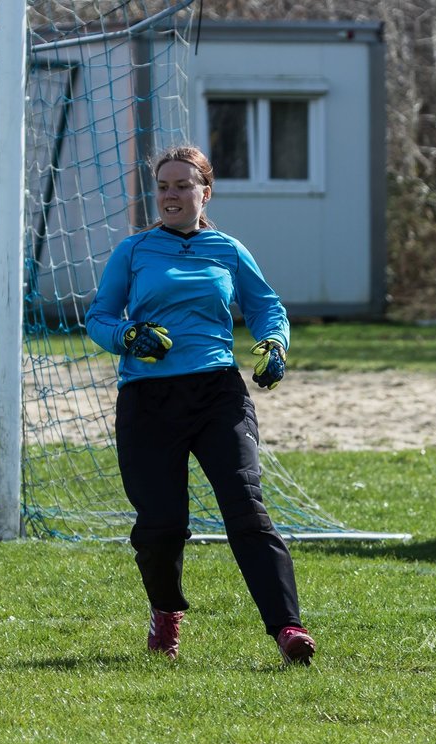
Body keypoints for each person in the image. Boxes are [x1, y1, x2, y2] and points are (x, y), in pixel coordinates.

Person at [86, 144, 316, 666]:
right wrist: (130, 336)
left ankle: (288, 628)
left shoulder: (228, 250)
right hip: (148, 400)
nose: (171, 194)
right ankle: (165, 612)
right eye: (163, 185)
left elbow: (267, 307)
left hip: (218, 394)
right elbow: (99, 317)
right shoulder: (134, 250)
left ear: (204, 192)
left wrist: (275, 345)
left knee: (247, 510)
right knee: (161, 525)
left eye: (183, 185)